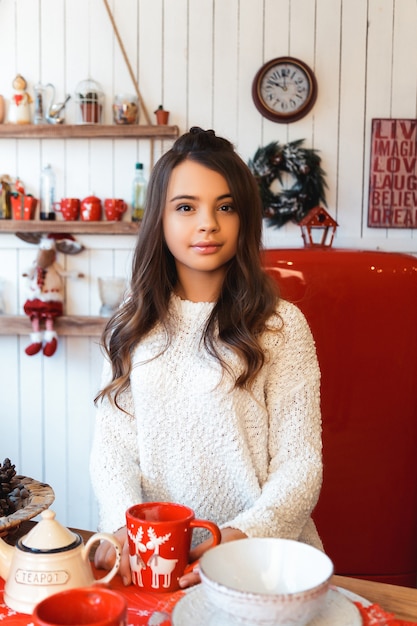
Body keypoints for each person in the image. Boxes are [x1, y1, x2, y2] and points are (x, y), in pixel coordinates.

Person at [90, 127, 323, 588]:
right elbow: (112, 449)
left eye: (225, 207)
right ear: (159, 217)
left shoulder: (280, 325)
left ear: (244, 218)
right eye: (185, 207)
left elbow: (301, 464)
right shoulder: (130, 323)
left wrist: (240, 536)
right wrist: (125, 527)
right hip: (156, 561)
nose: (207, 224)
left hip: (261, 562)